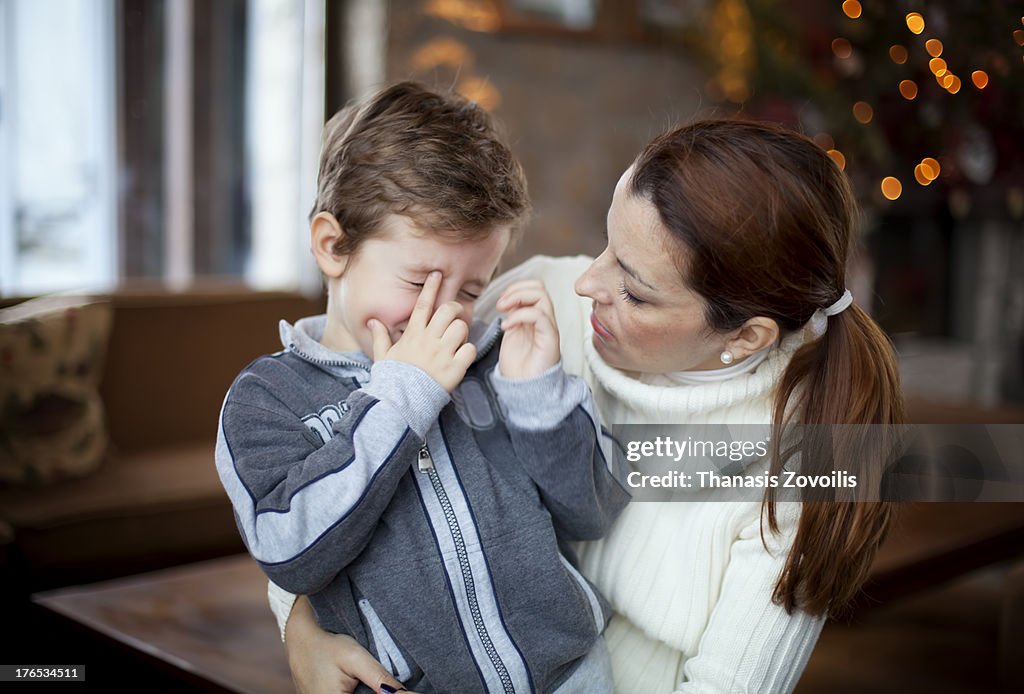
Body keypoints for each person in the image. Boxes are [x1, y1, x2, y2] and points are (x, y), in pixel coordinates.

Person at [273, 118, 904, 693]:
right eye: (606, 246)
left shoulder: (807, 464)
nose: (585, 284)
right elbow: (331, 453)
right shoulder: (538, 305)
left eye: (632, 290)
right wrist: (300, 623)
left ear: (746, 336)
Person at [215, 82, 630, 694]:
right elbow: (291, 552)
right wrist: (401, 396)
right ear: (333, 246)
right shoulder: (266, 400)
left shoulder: (489, 363)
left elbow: (593, 512)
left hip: (574, 678)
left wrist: (538, 392)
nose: (443, 314)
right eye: (418, 281)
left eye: (469, 290)